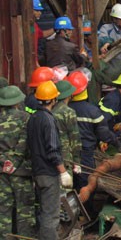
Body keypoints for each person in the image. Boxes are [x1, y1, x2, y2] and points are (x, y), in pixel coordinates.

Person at [27, 81, 73, 240]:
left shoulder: (33, 118)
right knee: (51, 215)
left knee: (43, 211)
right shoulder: (48, 119)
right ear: (53, 100)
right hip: (48, 173)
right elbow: (53, 150)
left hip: (37, 172)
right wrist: (63, 172)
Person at [68, 71, 121, 191]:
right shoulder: (92, 111)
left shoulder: (63, 110)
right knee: (86, 184)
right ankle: (86, 208)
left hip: (67, 155)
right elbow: (103, 133)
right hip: (85, 155)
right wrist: (117, 143)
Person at [0, 85, 36, 238]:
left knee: (3, 210)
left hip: (2, 172)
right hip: (22, 172)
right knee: (25, 210)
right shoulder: (25, 118)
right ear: (17, 102)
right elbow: (25, 143)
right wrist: (13, 162)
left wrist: (4, 162)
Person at [53, 80, 82, 180]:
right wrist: (76, 161)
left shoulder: (49, 110)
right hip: (65, 157)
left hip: (50, 157)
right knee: (65, 190)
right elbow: (75, 137)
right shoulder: (68, 112)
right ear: (69, 95)